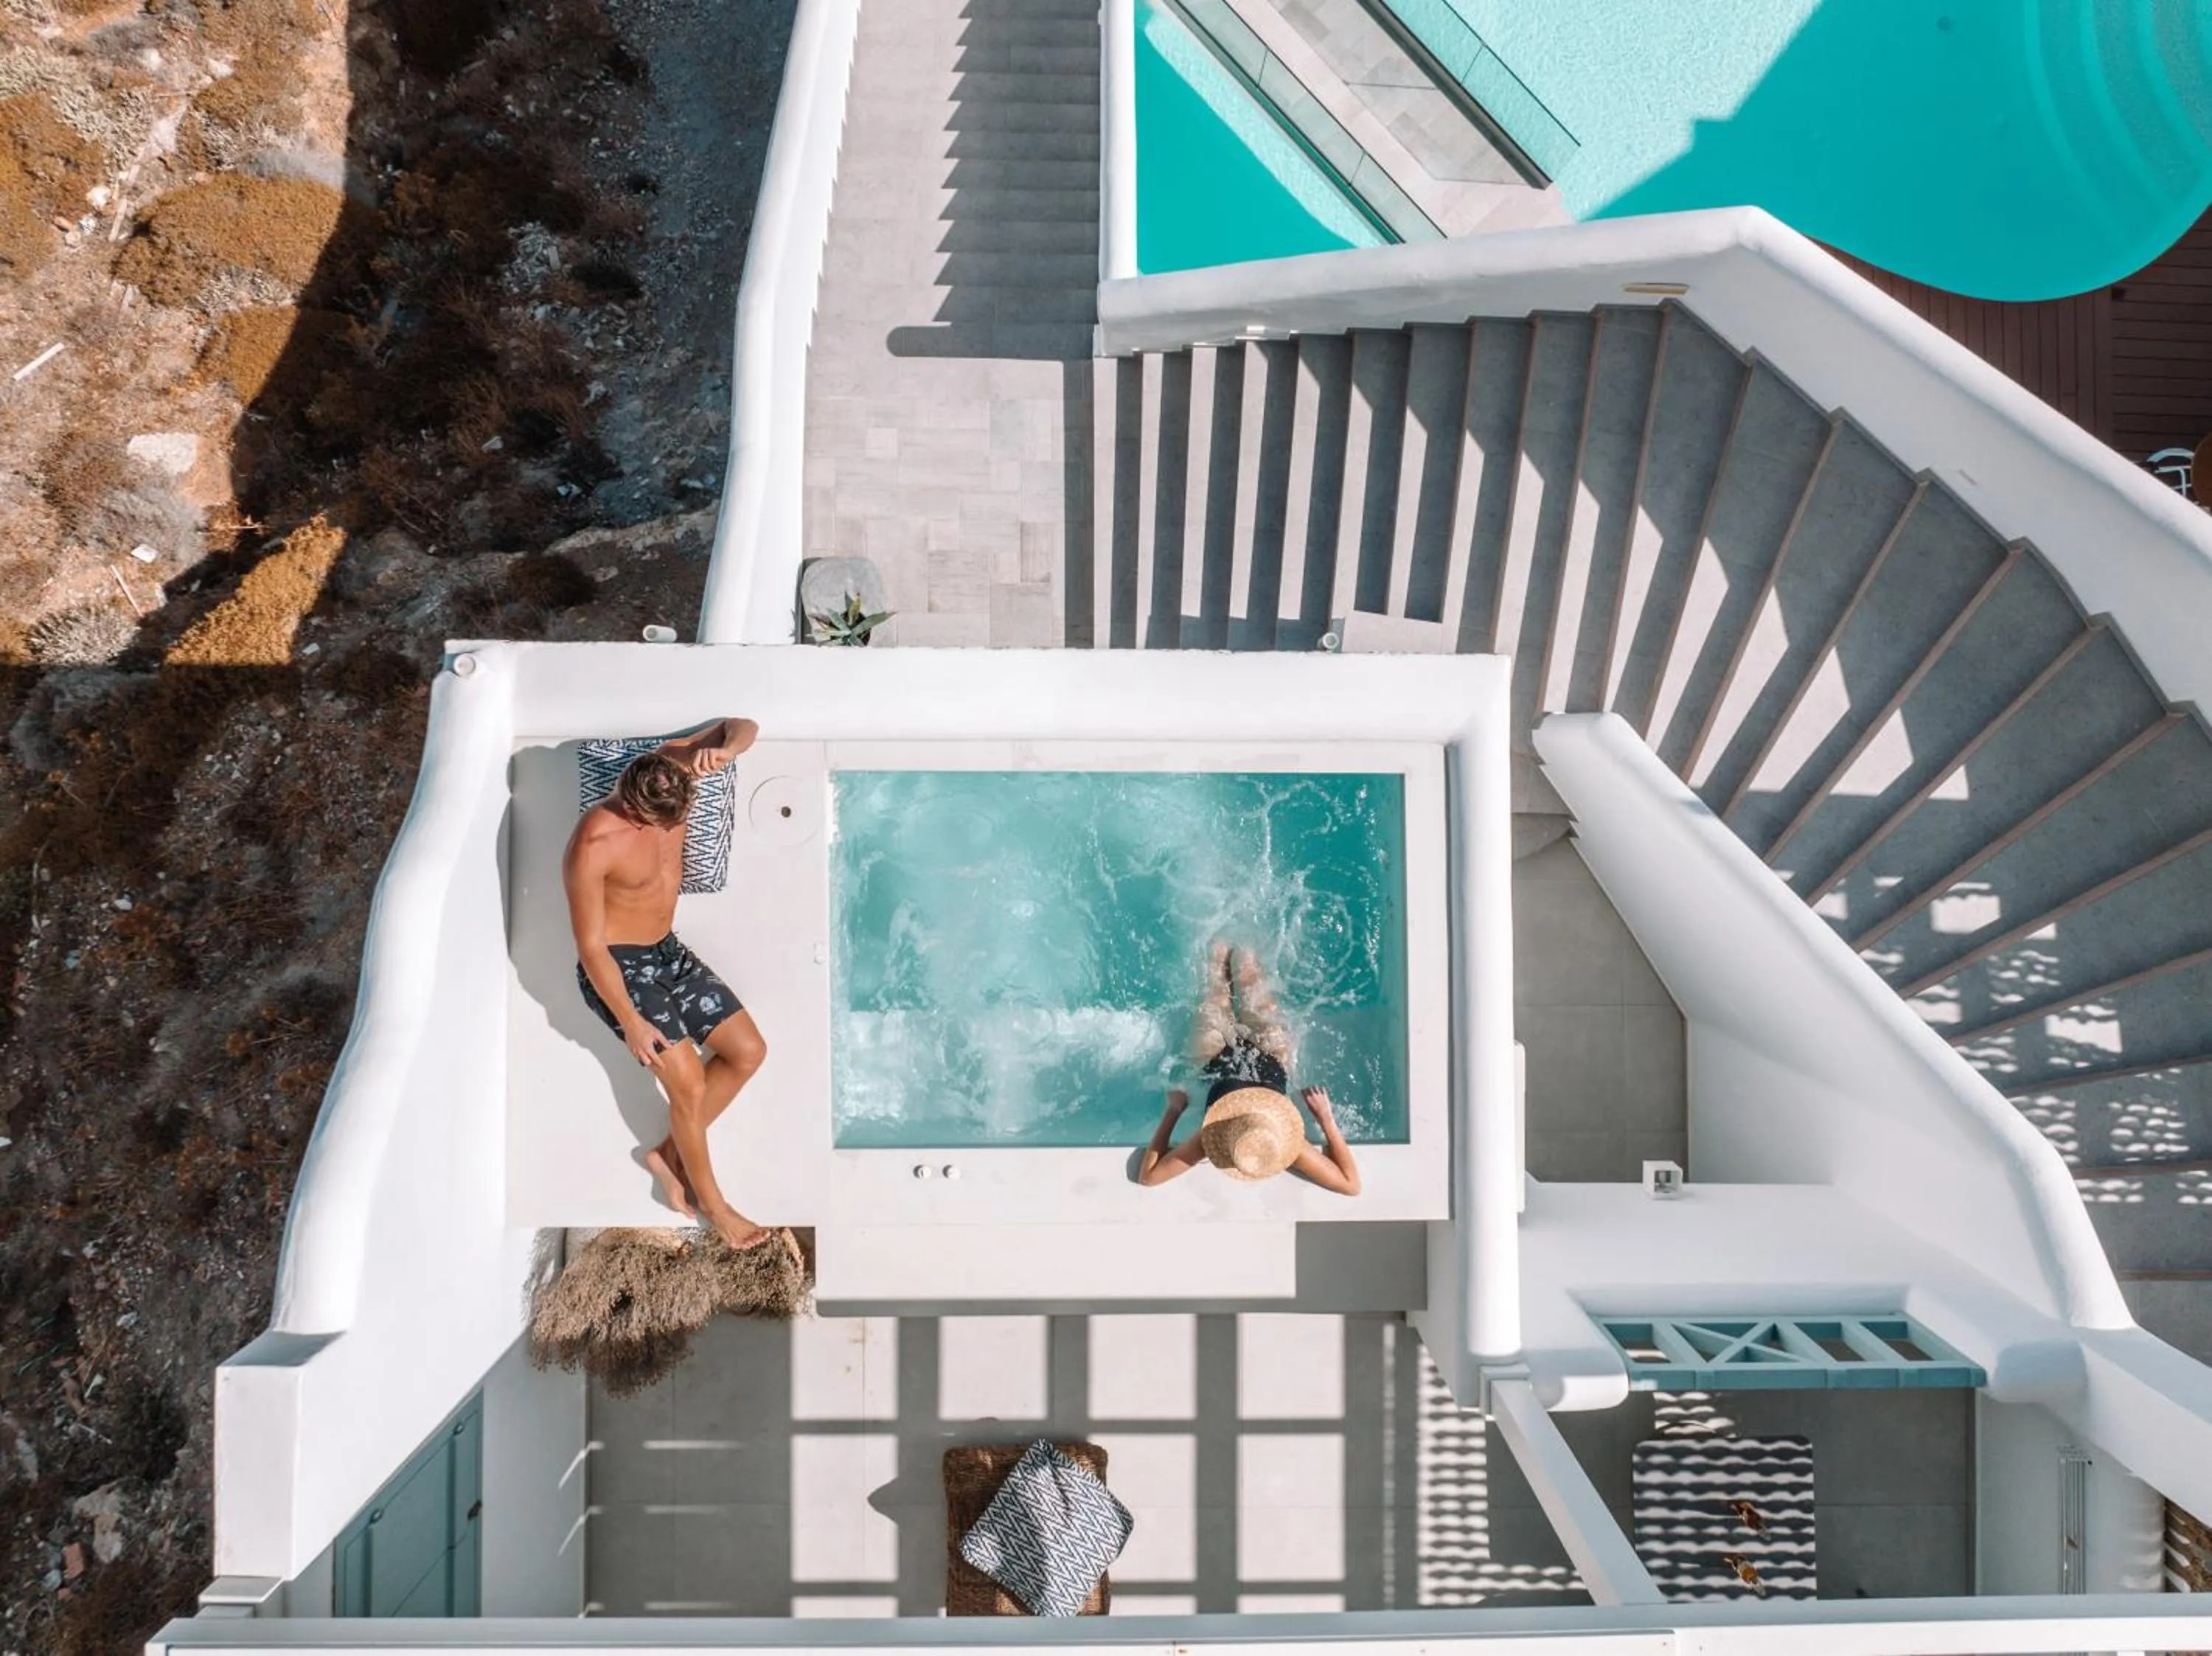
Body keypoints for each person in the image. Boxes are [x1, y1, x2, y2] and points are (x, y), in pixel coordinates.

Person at [563, 715, 772, 1249]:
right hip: (620, 970)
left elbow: (741, 724)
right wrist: (630, 1022)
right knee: (689, 1084)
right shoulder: (593, 843)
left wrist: (726, 752)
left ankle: (668, 1152)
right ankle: (715, 1206)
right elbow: (590, 948)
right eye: (657, 824)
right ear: (633, 807)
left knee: (748, 1051)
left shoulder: (669, 772)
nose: (669, 830)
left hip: (667, 953)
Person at [1136, 942, 1360, 1194]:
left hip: (1215, 1060)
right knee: (1247, 965)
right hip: (1272, 1058)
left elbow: (1149, 1177)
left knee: (1216, 974)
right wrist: (1326, 1120)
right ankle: (1237, 930)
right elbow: (1350, 1185)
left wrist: (1173, 1111)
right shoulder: (1287, 1144)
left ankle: (1223, 926)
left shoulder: (1215, 1133)